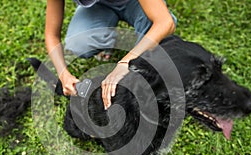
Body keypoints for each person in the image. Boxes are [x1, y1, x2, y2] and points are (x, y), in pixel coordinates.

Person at [45, 0, 177, 110]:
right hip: (99, 6)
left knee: (157, 36)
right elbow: (51, 36)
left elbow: (165, 23)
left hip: (135, 3)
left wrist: (126, 63)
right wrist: (63, 74)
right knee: (79, 43)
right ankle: (105, 44)